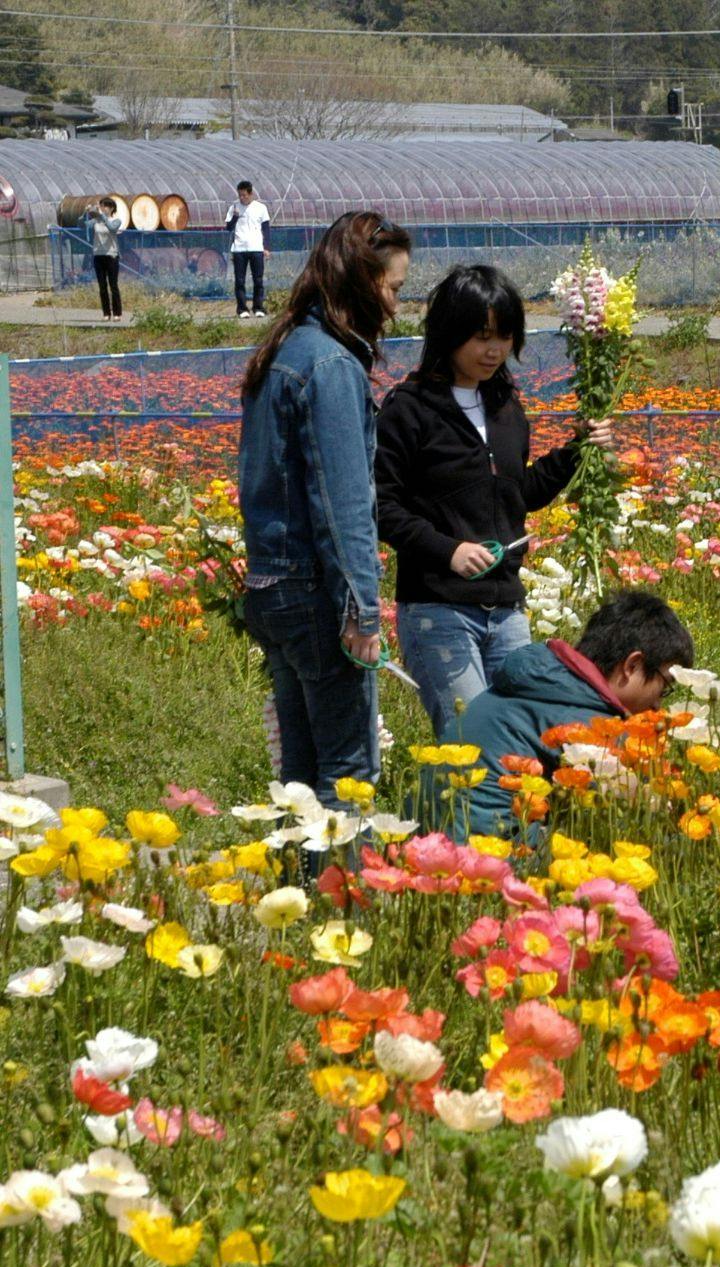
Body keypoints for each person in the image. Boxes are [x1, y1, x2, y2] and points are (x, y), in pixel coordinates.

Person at [375, 264, 614, 738]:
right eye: (482, 336)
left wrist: (576, 452)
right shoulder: (410, 408)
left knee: (520, 741)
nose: (495, 350)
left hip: (506, 609)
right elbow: (380, 504)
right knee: (471, 741)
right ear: (450, 332)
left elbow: (516, 496)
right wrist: (448, 550)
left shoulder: (505, 406)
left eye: (505, 336)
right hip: (439, 610)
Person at [237, 211, 412, 821]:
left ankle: (300, 877)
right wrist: (361, 612)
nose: (395, 306)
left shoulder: (282, 350)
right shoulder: (331, 366)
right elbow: (343, 506)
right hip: (317, 595)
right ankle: (339, 883)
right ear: (362, 282)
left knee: (301, 774)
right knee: (348, 776)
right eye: (392, 287)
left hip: (272, 585)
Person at [452, 591, 693, 838]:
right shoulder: (588, 724)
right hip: (497, 850)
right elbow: (626, 818)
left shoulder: (540, 679)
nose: (658, 705)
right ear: (632, 666)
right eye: (665, 686)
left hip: (436, 841)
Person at [226, 180, 272, 319]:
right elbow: (228, 227)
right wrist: (235, 216)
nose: (242, 198)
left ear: (251, 194)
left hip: (256, 248)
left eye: (244, 195)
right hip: (239, 249)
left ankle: (258, 307)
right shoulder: (234, 207)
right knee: (240, 281)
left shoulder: (261, 208)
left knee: (258, 280)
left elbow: (266, 229)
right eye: (240, 195)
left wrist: (266, 247)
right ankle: (242, 309)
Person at [81, 198, 123, 321]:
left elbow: (112, 228)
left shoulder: (116, 220)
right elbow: (82, 225)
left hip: (111, 255)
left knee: (113, 285)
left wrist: (102, 216)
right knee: (102, 286)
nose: (102, 208)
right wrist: (84, 213)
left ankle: (117, 313)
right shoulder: (96, 221)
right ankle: (106, 313)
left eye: (104, 206)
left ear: (111, 208)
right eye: (101, 206)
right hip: (98, 255)